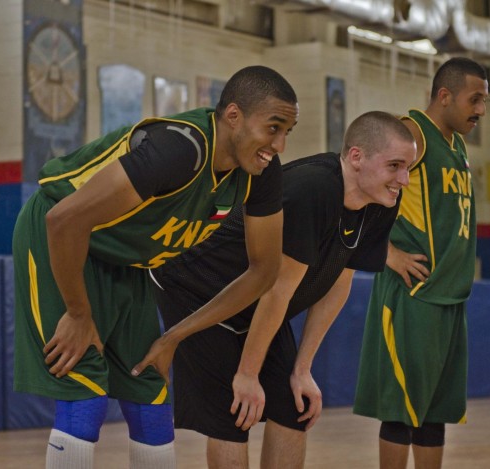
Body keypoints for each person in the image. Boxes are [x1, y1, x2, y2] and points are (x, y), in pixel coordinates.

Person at [12, 65, 299, 469]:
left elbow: (264, 272)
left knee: (150, 398)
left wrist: (174, 337)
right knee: (85, 396)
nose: (280, 144)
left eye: (288, 131)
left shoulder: (260, 174)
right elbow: (64, 219)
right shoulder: (181, 149)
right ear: (233, 116)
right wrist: (78, 313)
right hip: (61, 238)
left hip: (125, 261)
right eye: (274, 127)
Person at [138, 111, 417, 468]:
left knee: (293, 406)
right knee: (233, 414)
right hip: (197, 287)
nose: (404, 180)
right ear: (356, 157)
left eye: (407, 167)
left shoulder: (380, 201)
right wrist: (248, 374)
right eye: (394, 165)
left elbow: (337, 285)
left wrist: (302, 368)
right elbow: (276, 290)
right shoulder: (315, 188)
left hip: (259, 300)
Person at [353, 57, 488, 469]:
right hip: (413, 291)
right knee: (399, 411)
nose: (481, 109)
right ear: (444, 95)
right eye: (475, 99)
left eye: (485, 100)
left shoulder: (458, 145)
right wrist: (385, 253)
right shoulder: (411, 133)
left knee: (433, 412)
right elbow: (357, 184)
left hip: (449, 293)